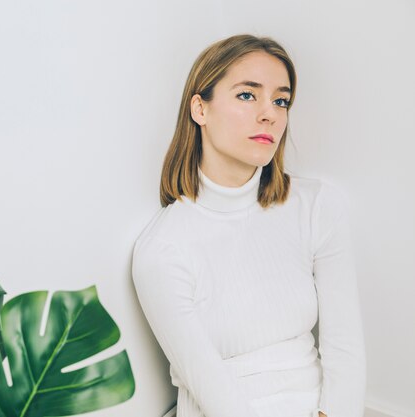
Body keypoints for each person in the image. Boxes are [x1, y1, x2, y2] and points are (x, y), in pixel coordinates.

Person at [131, 34, 366, 417]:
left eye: (281, 100)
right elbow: (211, 388)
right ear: (199, 109)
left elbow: (345, 348)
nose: (269, 114)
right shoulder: (163, 248)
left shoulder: (318, 205)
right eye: (246, 95)